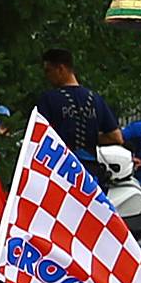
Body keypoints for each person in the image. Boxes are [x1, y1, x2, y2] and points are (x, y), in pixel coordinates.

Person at [31, 49, 118, 183]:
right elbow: (116, 136)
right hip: (89, 174)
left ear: (60, 69)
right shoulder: (95, 99)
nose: (46, 76)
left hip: (60, 171)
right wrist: (93, 137)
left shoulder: (49, 99)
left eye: (48, 71)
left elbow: (39, 135)